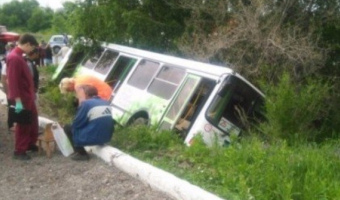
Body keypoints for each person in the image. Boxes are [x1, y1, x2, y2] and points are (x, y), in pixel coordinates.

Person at [6, 33, 39, 160]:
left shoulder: (20, 56)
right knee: (23, 123)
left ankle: (30, 143)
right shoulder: (14, 58)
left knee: (32, 120)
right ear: (27, 44)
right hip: (22, 97)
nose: (32, 50)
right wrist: (17, 100)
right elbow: (13, 81)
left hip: (28, 96)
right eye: (32, 47)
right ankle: (20, 150)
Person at [64, 85, 114, 161]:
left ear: (86, 94)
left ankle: (81, 153)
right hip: (107, 137)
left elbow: (77, 123)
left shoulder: (86, 104)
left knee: (68, 127)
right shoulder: (106, 102)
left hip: (94, 137)